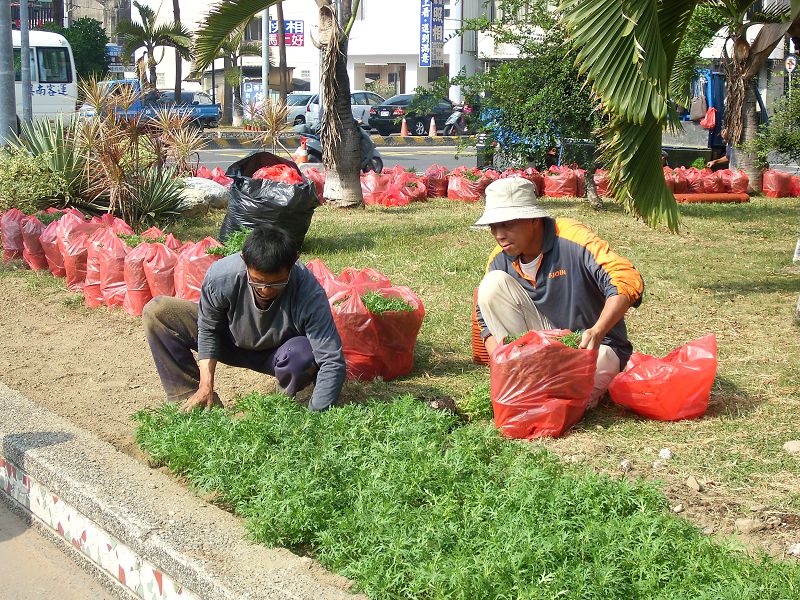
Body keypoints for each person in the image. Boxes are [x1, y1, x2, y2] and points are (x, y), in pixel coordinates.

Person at [475, 177, 644, 406]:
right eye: (493, 226)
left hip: (592, 347)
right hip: (542, 348)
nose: (499, 234)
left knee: (562, 400)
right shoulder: (499, 257)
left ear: (533, 218)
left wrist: (597, 330)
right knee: (491, 285)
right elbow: (485, 320)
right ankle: (529, 376)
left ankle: (546, 388)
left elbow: (626, 279)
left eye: (507, 224)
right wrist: (499, 361)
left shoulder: (571, 236)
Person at [143, 224, 346, 412]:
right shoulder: (222, 276)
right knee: (159, 311)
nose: (265, 290)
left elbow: (330, 359)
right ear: (244, 260)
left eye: (276, 284)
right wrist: (206, 384)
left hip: (280, 353)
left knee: (302, 354)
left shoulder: (308, 291)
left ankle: (281, 408)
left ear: (292, 266)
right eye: (257, 282)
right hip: (229, 340)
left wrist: (317, 417)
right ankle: (193, 401)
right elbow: (208, 329)